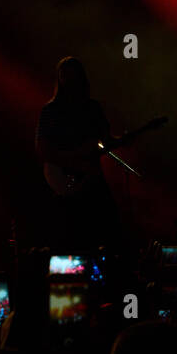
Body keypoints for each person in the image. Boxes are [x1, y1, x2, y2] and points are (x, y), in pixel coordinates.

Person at [34, 56, 118, 251]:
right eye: (65, 75)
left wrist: (123, 139)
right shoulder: (51, 111)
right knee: (71, 238)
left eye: (73, 75)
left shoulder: (92, 108)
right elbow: (43, 149)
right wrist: (72, 161)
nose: (69, 79)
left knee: (106, 232)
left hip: (91, 180)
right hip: (69, 181)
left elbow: (106, 139)